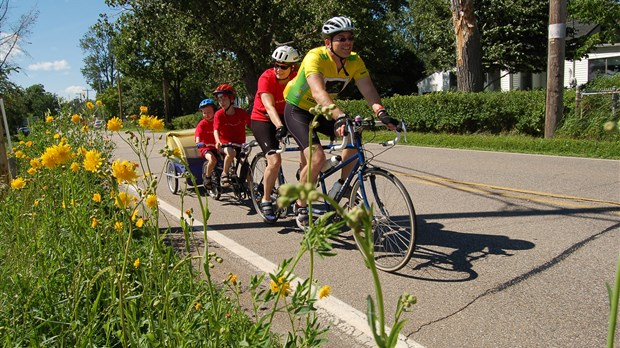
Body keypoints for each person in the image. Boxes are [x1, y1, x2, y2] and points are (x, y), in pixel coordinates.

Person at [283, 16, 400, 229]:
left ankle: (343, 186)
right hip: (298, 110)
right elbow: (318, 92)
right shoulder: (314, 57)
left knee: (355, 133)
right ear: (328, 42)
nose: (347, 43)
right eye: (341, 38)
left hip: (324, 110)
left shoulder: (355, 60)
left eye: (350, 38)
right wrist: (340, 116)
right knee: (317, 159)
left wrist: (381, 112)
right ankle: (300, 205)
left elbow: (368, 90)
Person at [250, 45, 302, 222]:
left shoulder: (297, 77)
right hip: (262, 117)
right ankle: (265, 199)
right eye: (276, 65)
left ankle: (302, 175)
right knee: (274, 159)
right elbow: (269, 107)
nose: (278, 69)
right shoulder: (266, 77)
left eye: (283, 66)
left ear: (293, 67)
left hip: (286, 115)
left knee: (309, 148)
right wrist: (280, 127)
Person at [213, 83, 251, 187]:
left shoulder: (241, 113)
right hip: (225, 144)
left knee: (246, 165)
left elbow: (252, 125)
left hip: (240, 144)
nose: (221, 102)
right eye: (219, 99)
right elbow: (215, 130)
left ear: (232, 99)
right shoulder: (218, 114)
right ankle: (224, 175)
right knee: (231, 152)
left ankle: (252, 189)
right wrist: (218, 141)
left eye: (224, 99)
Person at [195, 98, 219, 189]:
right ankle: (207, 177)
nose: (206, 115)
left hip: (217, 146)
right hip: (205, 148)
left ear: (214, 111)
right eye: (204, 113)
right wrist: (198, 143)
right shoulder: (202, 124)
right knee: (212, 160)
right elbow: (198, 136)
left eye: (209, 112)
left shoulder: (218, 122)